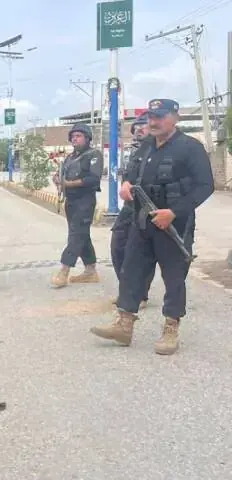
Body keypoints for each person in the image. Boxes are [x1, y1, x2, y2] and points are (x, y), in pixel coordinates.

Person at [90, 99, 214, 355]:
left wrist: (174, 212)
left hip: (174, 223)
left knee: (173, 277)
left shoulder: (190, 147)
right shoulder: (145, 146)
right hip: (142, 220)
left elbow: (205, 185)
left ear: (175, 117)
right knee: (131, 271)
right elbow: (130, 174)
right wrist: (125, 185)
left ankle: (171, 327)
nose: (153, 122)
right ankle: (124, 324)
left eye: (160, 116)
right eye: (151, 117)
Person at [51, 124, 104, 288]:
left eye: (79, 135)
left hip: (85, 201)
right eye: (73, 136)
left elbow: (93, 179)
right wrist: (58, 179)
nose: (75, 138)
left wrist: (68, 183)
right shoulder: (70, 157)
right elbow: (63, 175)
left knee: (75, 236)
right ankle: (90, 271)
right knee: (82, 235)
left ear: (87, 138)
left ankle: (64, 270)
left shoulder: (94, 155)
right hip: (71, 201)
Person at [110, 115, 155, 308]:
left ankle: (140, 294)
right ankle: (128, 291)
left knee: (144, 253)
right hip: (129, 208)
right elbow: (127, 177)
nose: (139, 129)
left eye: (143, 126)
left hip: (150, 208)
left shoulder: (159, 150)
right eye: (135, 127)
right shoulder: (134, 153)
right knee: (118, 246)